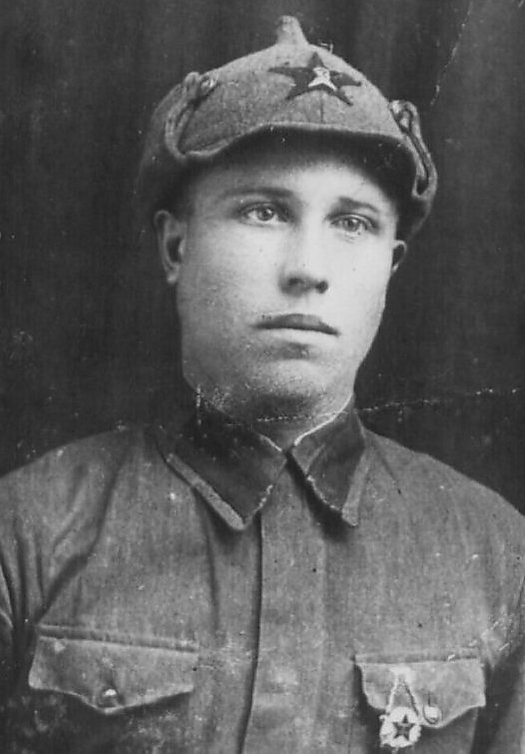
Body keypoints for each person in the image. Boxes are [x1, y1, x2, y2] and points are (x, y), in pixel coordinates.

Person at [0, 15, 524, 753]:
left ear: (391, 264)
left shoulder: (496, 554)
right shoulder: (27, 532)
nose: (308, 268)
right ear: (176, 246)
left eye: (353, 223)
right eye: (264, 211)